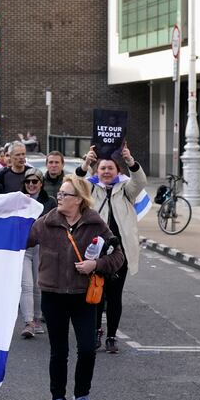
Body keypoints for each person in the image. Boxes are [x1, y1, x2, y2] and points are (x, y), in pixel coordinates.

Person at [28, 175, 124, 400]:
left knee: (87, 349)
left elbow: (118, 257)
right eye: (59, 193)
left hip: (83, 298)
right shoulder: (46, 223)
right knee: (59, 352)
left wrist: (96, 264)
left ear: (79, 200)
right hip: (53, 295)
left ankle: (82, 396)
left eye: (65, 194)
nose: (59, 197)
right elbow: (19, 239)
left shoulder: (96, 224)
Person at [77, 144, 146, 353]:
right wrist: (86, 163)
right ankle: (97, 331)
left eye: (110, 169)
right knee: (97, 292)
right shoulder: (90, 190)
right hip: (96, 252)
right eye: (102, 169)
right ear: (97, 172)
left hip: (120, 253)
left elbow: (140, 181)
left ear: (118, 172)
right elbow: (75, 184)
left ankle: (112, 336)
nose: (106, 172)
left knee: (115, 296)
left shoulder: (126, 191)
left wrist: (130, 160)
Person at [19, 167, 56, 338]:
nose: (31, 184)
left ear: (41, 183)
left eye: (35, 181)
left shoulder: (50, 202)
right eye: (28, 181)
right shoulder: (18, 200)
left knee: (38, 286)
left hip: (42, 247)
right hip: (23, 247)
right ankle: (28, 322)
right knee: (25, 285)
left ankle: (38, 319)